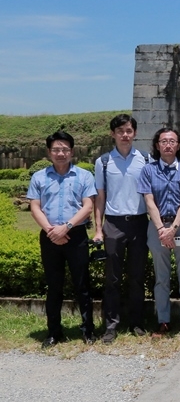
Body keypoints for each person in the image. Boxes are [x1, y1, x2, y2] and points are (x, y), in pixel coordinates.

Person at [27, 131, 97, 348]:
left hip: (75, 235)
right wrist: (51, 230)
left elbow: (88, 206)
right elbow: (34, 206)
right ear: (49, 152)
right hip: (49, 236)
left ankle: (88, 330)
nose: (61, 153)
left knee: (82, 285)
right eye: (56, 149)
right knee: (53, 286)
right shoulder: (39, 177)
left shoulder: (84, 176)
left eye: (65, 149)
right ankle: (54, 332)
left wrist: (66, 227)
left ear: (72, 152)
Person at [93, 114, 151, 344]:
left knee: (137, 276)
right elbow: (99, 197)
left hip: (139, 222)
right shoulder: (104, 162)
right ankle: (111, 325)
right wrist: (99, 229)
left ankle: (136, 322)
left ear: (134, 133)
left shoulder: (145, 159)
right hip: (114, 224)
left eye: (128, 131)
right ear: (113, 134)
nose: (125, 135)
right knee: (112, 278)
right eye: (120, 131)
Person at [137, 127, 180, 338]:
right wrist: (162, 230)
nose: (168, 145)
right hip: (157, 227)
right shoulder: (148, 170)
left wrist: (172, 230)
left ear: (179, 145)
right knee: (161, 277)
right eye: (164, 141)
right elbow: (149, 201)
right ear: (157, 145)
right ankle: (163, 320)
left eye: (172, 141)